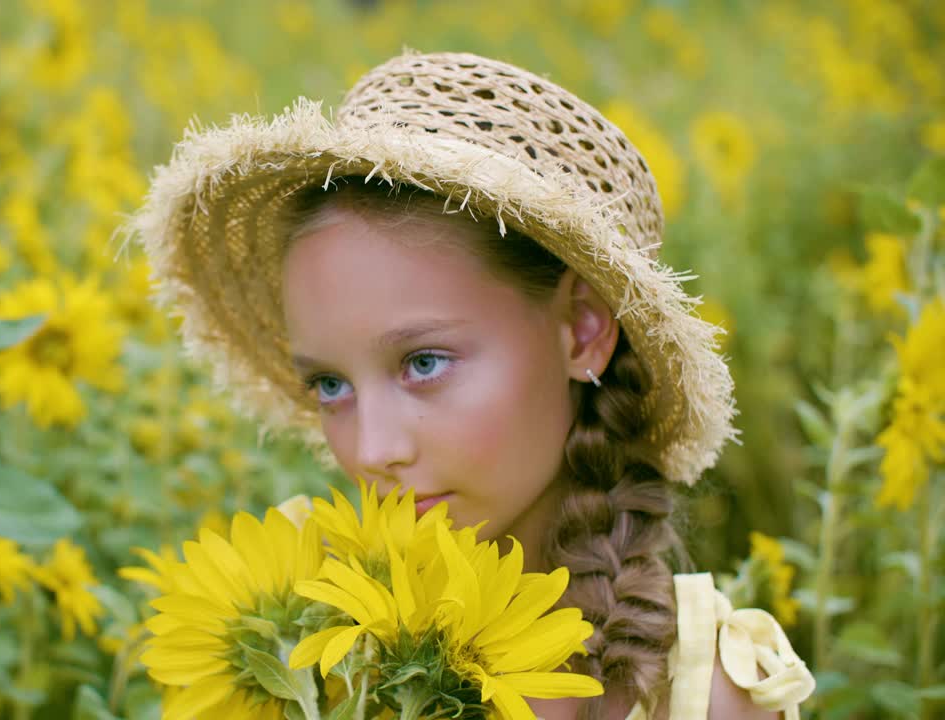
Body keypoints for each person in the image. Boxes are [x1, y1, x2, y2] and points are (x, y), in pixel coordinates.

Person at [126, 50, 815, 719]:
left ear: (581, 329)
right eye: (331, 385)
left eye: (423, 364)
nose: (373, 450)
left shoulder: (712, 696)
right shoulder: (306, 646)